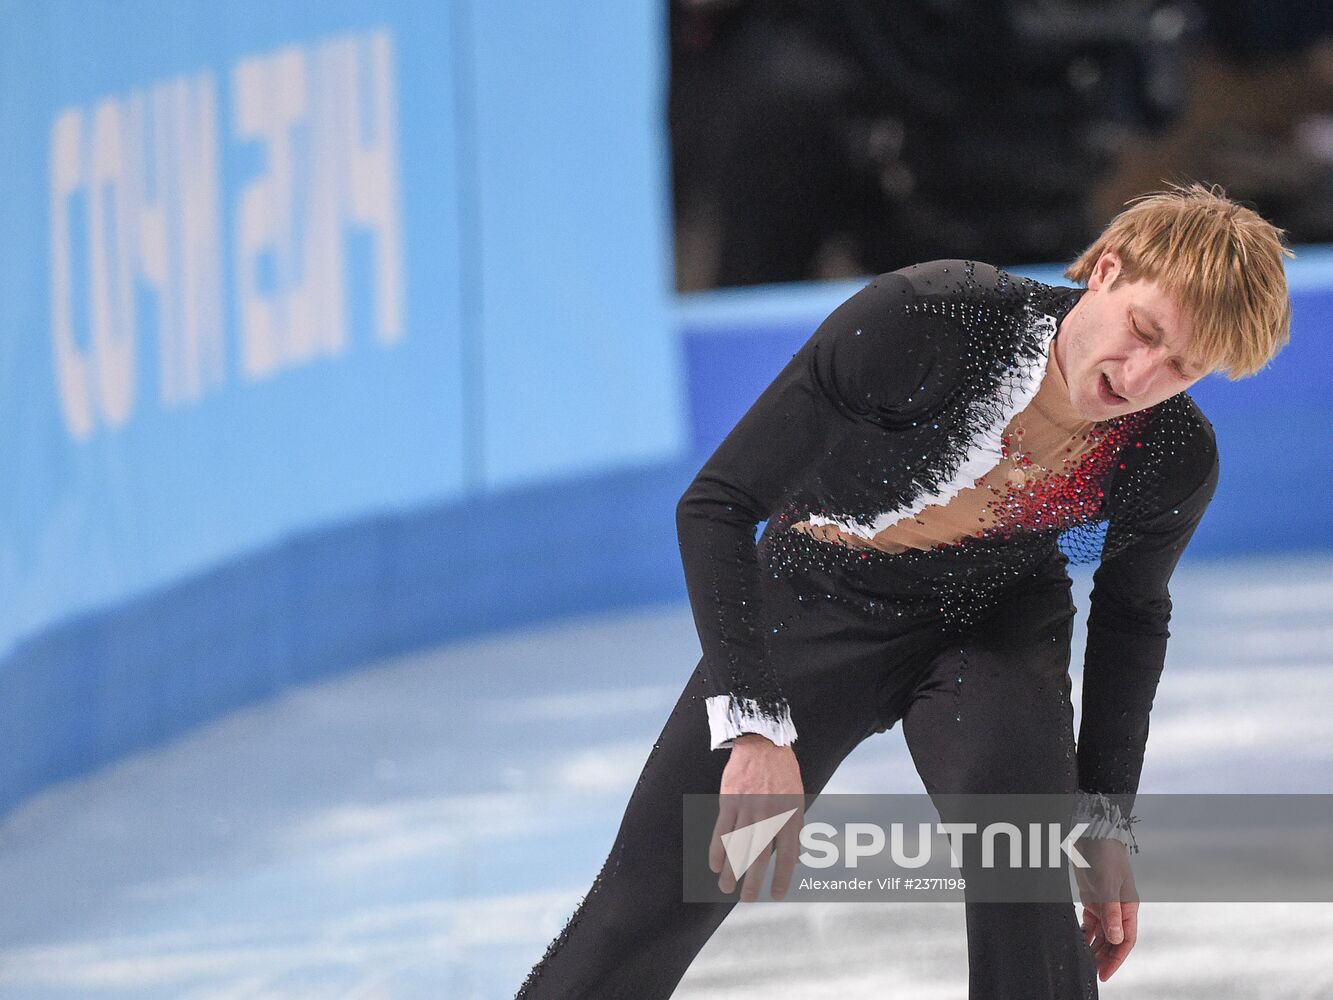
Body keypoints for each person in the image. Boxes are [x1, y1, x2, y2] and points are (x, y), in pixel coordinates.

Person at [514, 183, 1291, 999]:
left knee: (1022, 878)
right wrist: (752, 724)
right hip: (812, 601)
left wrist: (1102, 819)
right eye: (1143, 332)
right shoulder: (930, 319)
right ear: (1104, 271)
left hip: (988, 624)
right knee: (647, 905)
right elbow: (717, 505)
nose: (1139, 377)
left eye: (1184, 368)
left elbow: (1132, 616)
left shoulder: (1169, 455)